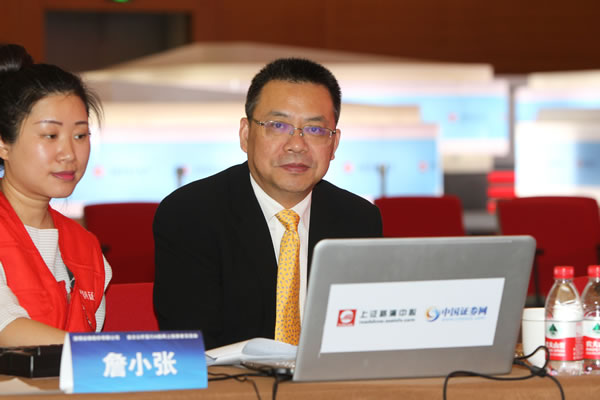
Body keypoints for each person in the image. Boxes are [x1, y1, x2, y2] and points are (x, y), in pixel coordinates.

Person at [153, 58, 382, 349]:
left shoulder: (359, 220)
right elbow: (195, 349)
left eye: (314, 130)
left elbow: (364, 339)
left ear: (334, 144)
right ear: (246, 134)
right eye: (278, 126)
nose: (296, 145)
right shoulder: (190, 216)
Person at [0, 44, 111, 346]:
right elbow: (6, 328)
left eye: (80, 135)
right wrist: (109, 352)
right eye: (50, 135)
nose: (69, 154)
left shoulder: (87, 248)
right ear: (3, 144)